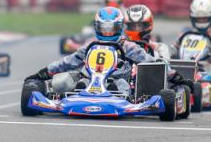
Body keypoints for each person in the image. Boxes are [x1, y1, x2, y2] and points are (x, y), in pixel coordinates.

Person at [24, 6, 158, 97]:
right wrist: (42, 73)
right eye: (104, 28)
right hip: (90, 80)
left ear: (119, 27)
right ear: (97, 27)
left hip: (118, 82)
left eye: (111, 29)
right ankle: (81, 90)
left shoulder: (129, 47)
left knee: (121, 85)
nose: (107, 33)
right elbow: (68, 62)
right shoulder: (90, 45)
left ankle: (114, 93)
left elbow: (152, 63)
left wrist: (167, 71)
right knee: (72, 80)